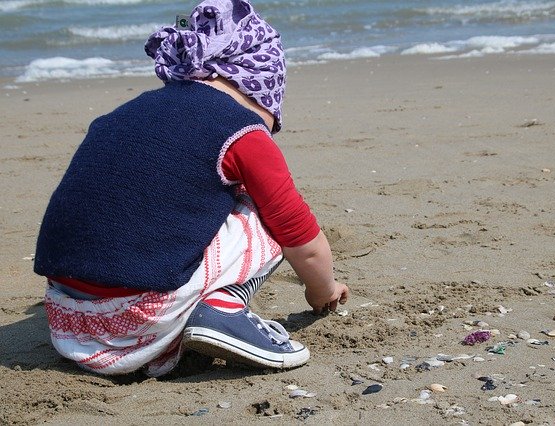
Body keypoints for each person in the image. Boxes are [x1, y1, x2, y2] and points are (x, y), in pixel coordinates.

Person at [33, 0, 349, 377]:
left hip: (66, 316)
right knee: (264, 210)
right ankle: (223, 310)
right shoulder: (242, 131)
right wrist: (322, 291)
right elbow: (303, 241)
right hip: (139, 319)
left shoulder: (124, 113)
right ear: (260, 81)